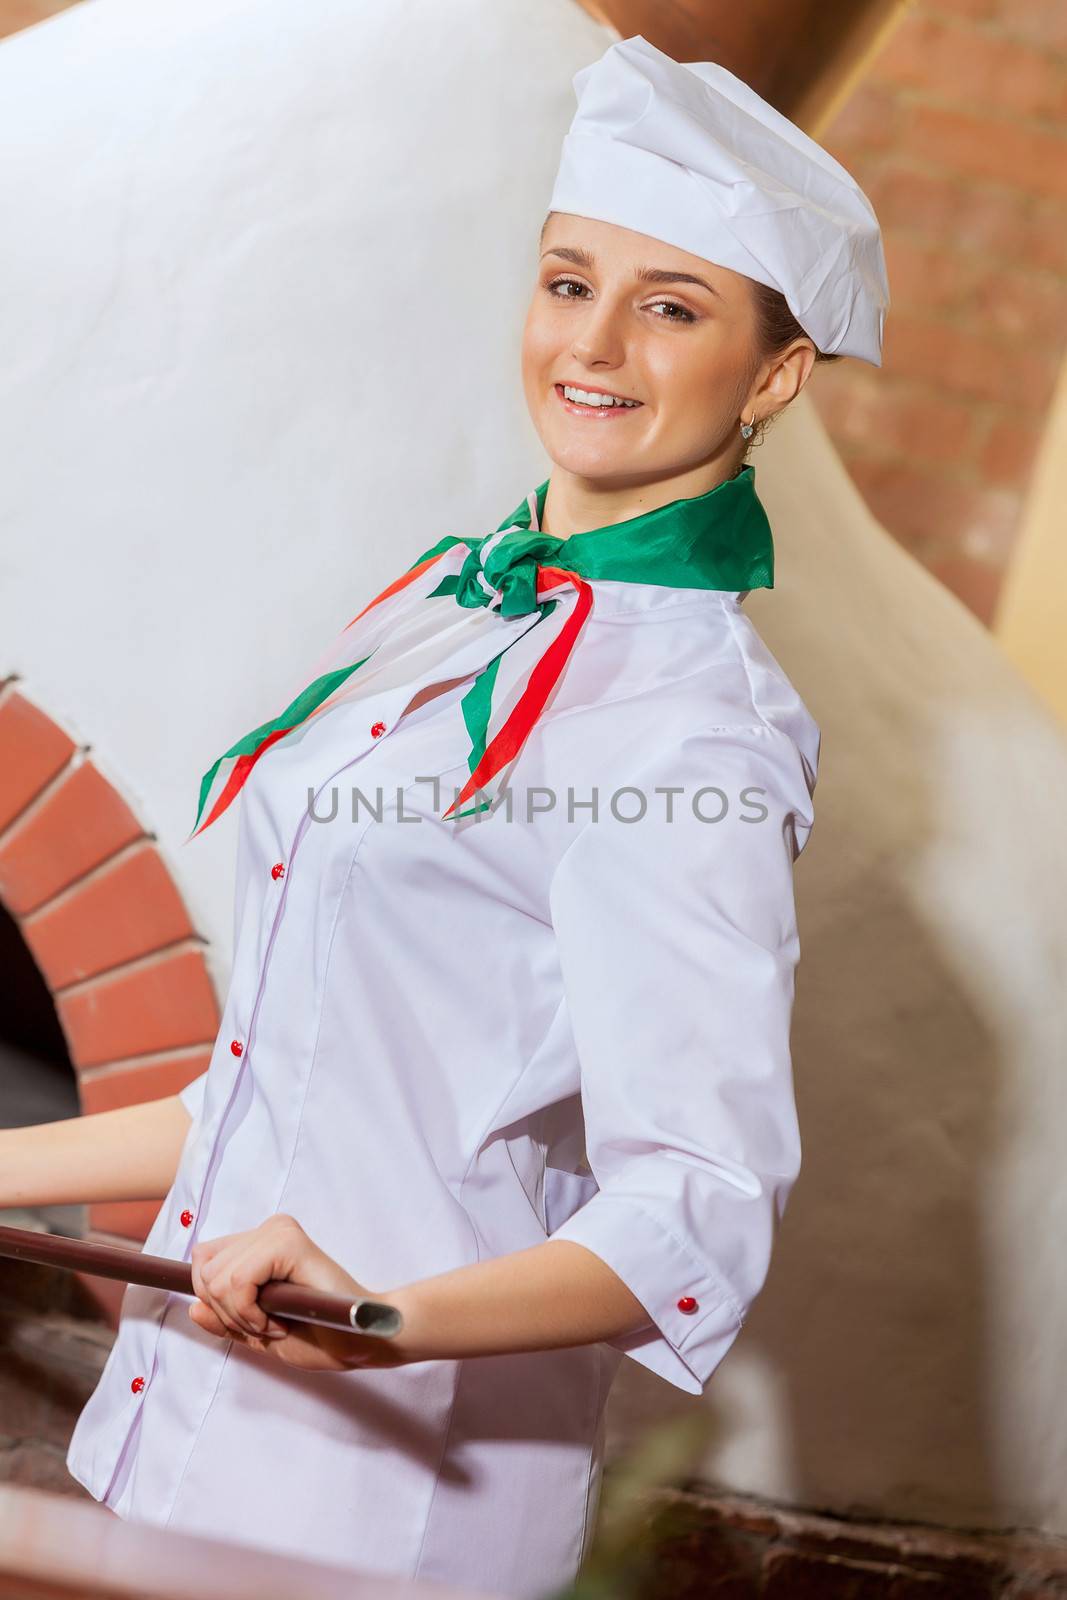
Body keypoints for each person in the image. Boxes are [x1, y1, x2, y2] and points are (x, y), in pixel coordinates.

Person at [4, 33, 888, 1600]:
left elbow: (695, 1206)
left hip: (373, 1519)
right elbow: (287, 1092)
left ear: (774, 374)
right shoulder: (446, 610)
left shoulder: (694, 730)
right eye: (567, 280)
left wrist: (388, 1319)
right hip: (172, 1432)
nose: (593, 340)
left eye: (669, 305)